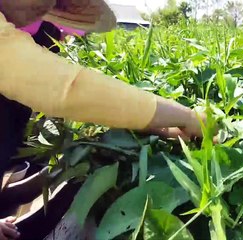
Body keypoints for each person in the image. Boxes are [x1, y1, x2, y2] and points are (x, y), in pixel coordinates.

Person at [0, 1, 207, 239]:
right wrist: (186, 117)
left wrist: (156, 124)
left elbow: (61, 94)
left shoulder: (34, 33)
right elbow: (67, 89)